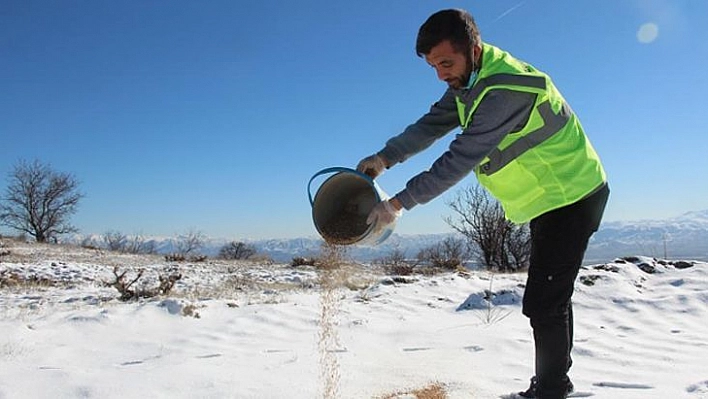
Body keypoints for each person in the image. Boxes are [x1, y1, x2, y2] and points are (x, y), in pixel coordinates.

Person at [356, 9, 609, 399]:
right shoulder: (468, 81)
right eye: (433, 66)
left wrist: (398, 203)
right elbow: (431, 125)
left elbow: (459, 158)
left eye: (445, 63)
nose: (440, 74)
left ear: (472, 50)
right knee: (551, 297)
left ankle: (552, 389)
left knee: (543, 302)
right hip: (549, 199)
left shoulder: (504, 88)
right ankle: (555, 381)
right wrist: (385, 157)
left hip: (572, 194)